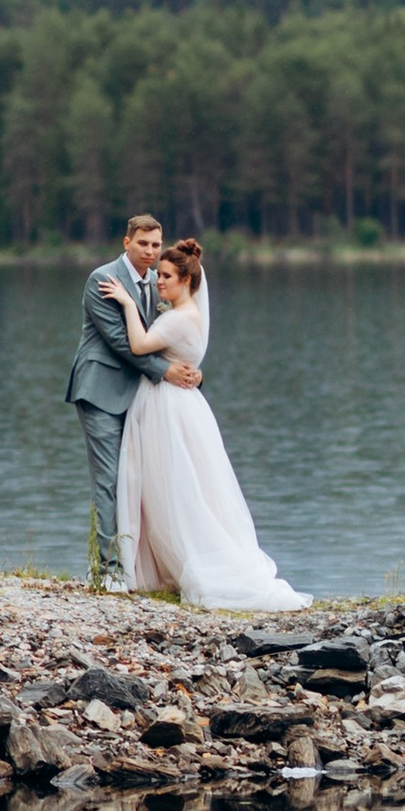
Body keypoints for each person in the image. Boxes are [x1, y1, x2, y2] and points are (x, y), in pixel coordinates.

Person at [111, 240, 309, 611]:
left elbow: (138, 345)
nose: (158, 282)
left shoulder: (179, 318)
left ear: (186, 280)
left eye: (166, 276)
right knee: (173, 485)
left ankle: (186, 561)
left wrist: (126, 303)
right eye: (158, 275)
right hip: (179, 405)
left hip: (168, 408)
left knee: (172, 485)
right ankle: (163, 565)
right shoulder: (185, 314)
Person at [65, 211, 199, 589]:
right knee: (109, 479)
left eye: (156, 245)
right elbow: (121, 343)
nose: (150, 251)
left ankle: (141, 568)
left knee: (139, 480)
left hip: (141, 397)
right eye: (143, 243)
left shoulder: (158, 283)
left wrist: (191, 372)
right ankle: (106, 570)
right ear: (127, 243)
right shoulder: (102, 279)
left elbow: (171, 335)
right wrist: (165, 372)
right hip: (100, 390)